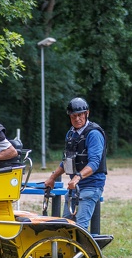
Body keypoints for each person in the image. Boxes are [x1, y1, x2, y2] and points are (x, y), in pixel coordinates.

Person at [43, 97, 107, 232]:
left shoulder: (94, 134)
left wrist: (77, 177)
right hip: (75, 187)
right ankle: (68, 252)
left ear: (87, 113)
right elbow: (67, 161)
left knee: (79, 228)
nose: (77, 119)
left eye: (80, 115)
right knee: (66, 226)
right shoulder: (71, 134)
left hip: (91, 185)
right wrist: (52, 177)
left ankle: (84, 252)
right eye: (73, 116)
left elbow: (94, 163)